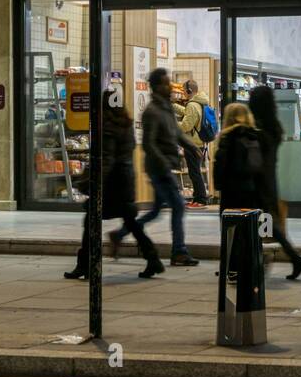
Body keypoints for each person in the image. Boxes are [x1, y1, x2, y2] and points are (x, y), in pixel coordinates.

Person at [67, 92, 164, 280]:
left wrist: (91, 183)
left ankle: (84, 265)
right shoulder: (126, 124)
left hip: (112, 184)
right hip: (126, 180)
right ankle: (152, 259)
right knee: (130, 221)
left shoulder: (108, 128)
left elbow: (106, 160)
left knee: (91, 221)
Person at [131, 68, 199, 267]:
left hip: (164, 166)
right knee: (178, 206)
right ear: (156, 87)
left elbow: (176, 133)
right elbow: (148, 144)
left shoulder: (166, 108)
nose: (169, 86)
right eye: (165, 83)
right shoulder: (152, 111)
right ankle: (179, 251)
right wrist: (163, 162)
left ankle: (123, 232)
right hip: (158, 168)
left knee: (155, 211)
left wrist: (191, 146)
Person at [247, 85, 301, 279]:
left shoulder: (259, 131)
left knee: (261, 223)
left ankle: (281, 258)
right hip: (269, 182)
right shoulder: (273, 127)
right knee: (266, 223)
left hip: (259, 183)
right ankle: (292, 258)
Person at [176, 80, 212, 207]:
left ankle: (201, 199)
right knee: (195, 171)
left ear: (189, 91)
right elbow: (187, 112)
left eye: (184, 90)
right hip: (200, 142)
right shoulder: (199, 103)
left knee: (194, 172)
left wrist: (171, 123)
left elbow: (186, 126)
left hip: (193, 143)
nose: (183, 93)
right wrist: (172, 106)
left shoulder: (192, 105)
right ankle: (198, 198)